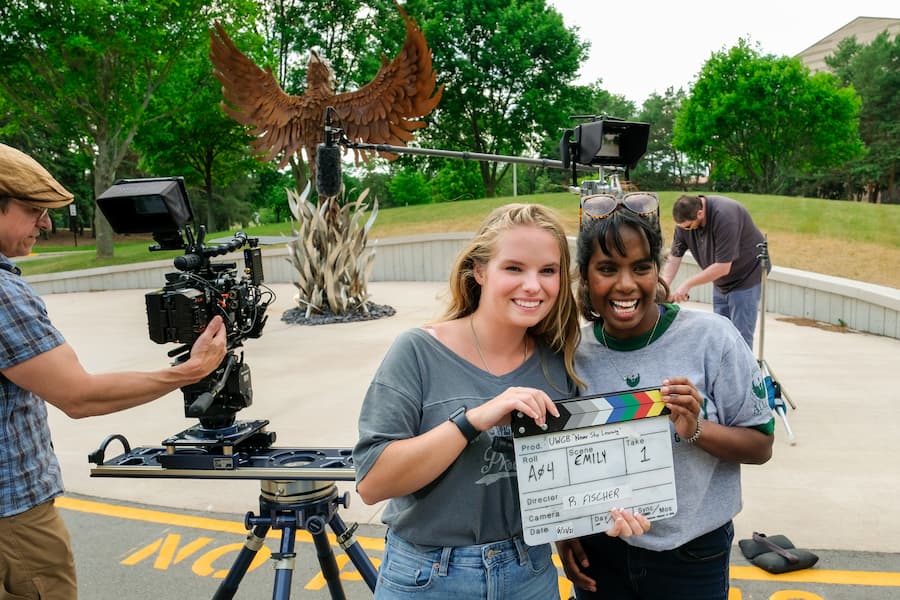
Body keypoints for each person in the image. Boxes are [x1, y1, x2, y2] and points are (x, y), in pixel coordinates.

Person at [353, 203, 648, 599]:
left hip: (528, 570)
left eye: (548, 271)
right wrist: (473, 420)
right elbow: (373, 484)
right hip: (428, 574)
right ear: (479, 271)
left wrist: (602, 515)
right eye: (514, 268)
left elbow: (568, 479)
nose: (533, 286)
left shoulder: (558, 362)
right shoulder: (418, 351)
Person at [0, 143, 227, 600]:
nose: (46, 223)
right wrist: (190, 371)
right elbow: (79, 397)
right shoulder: (5, 295)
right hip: (15, 519)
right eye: (33, 209)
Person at [557, 199, 775, 600]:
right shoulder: (572, 351)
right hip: (601, 550)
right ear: (585, 276)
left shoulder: (714, 338)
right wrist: (564, 532)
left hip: (690, 555)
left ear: (657, 271)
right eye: (607, 268)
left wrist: (697, 428)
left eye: (641, 267)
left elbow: (761, 445)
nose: (626, 284)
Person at [660, 194, 769, 349]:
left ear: (699, 213)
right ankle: (722, 373)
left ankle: (743, 373)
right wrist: (662, 287)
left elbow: (723, 266)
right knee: (720, 335)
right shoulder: (684, 224)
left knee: (740, 339)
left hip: (746, 278)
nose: (686, 230)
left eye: (688, 227)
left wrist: (687, 284)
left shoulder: (725, 215)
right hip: (721, 282)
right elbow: (675, 257)